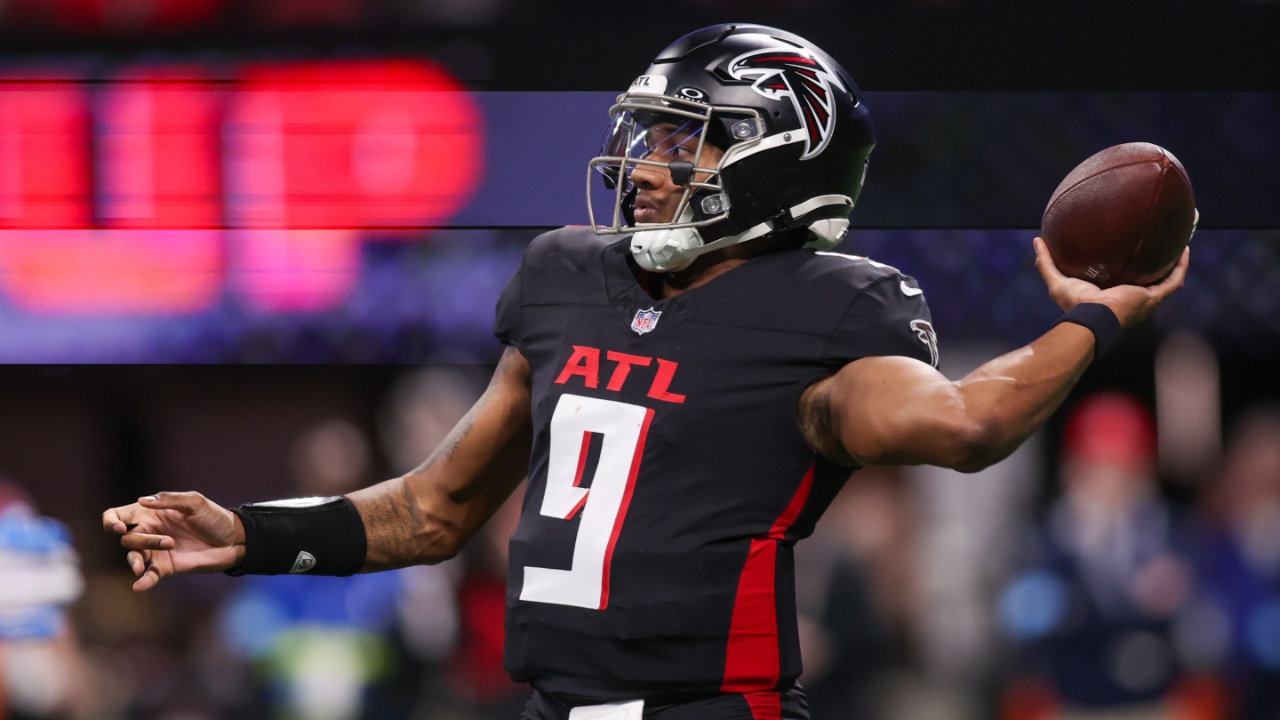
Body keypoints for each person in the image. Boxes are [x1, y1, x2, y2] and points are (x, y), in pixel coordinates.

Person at [103, 23, 1189, 720]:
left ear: (778, 158)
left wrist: (1091, 321)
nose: (648, 168)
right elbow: (433, 511)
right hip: (548, 707)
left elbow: (964, 425)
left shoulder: (826, 309)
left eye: (687, 142)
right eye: (648, 138)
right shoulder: (565, 277)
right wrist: (252, 534)